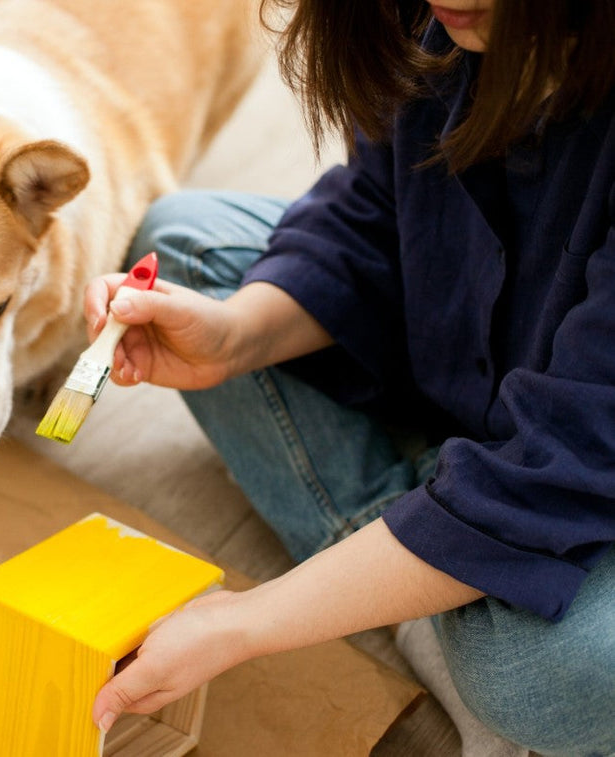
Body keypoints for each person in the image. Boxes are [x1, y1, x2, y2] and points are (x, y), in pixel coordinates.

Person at [88, 1, 615, 754]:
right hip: (488, 363)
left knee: (540, 672)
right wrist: (233, 337)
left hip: (589, 461)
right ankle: (421, 566)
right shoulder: (436, 14)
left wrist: (247, 620)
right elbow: (378, 205)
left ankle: (416, 568)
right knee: (181, 249)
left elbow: (565, 464)